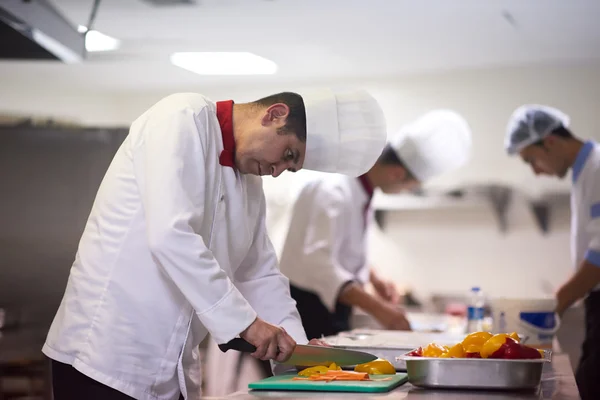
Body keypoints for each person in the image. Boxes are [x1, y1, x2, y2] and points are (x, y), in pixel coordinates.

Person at [41, 88, 387, 400]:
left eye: (290, 166)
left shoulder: (251, 185)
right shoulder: (181, 117)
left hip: (170, 369)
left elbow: (259, 274)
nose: (279, 170)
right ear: (275, 114)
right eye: (288, 154)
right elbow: (170, 235)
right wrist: (248, 324)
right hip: (102, 357)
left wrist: (297, 349)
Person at [278, 109, 472, 340]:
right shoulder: (334, 189)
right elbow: (318, 263)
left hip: (329, 307)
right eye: (411, 186)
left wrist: (373, 277)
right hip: (305, 309)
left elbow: (339, 246)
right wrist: (380, 310)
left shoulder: (360, 189)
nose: (406, 191)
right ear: (397, 173)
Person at [504, 104, 600, 400]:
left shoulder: (597, 168)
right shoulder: (585, 172)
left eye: (532, 159)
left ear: (550, 141)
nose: (535, 170)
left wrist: (553, 306)